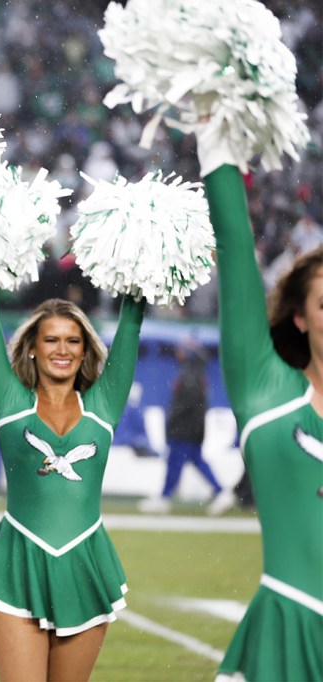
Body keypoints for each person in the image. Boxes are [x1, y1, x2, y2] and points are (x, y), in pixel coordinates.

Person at [0, 293, 145, 681]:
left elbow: (131, 324)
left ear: (85, 351)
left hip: (85, 563)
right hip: (16, 563)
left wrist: (139, 283)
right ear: (32, 348)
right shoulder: (11, 402)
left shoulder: (102, 406)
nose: (62, 349)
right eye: (51, 340)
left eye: (73, 340)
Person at [198, 132, 322, 680]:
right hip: (289, 629)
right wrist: (213, 133)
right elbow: (232, 244)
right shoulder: (266, 392)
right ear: (301, 317)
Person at [138, 341, 235, 515]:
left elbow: (184, 406)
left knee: (176, 463)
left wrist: (172, 425)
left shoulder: (190, 375)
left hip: (185, 430)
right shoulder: (195, 373)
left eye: (183, 350)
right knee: (191, 462)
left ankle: (165, 498)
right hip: (190, 430)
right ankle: (220, 493)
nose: (179, 353)